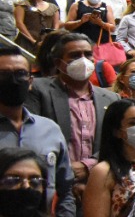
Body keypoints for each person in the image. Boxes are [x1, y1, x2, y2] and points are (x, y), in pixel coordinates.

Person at [26, 32, 118, 197]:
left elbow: (115, 141)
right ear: (58, 62)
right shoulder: (38, 90)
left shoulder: (111, 98)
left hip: (98, 185)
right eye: (75, 55)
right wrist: (66, 171)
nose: (83, 60)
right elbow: (31, 136)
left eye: (87, 54)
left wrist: (87, 166)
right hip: (51, 184)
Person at [0, 46, 76, 217]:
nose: (13, 81)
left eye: (20, 74)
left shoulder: (50, 129)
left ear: (30, 82)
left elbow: (66, 188)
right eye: (4, 74)